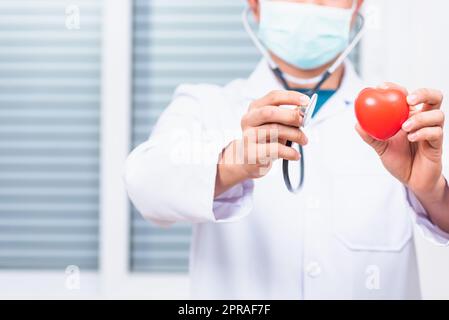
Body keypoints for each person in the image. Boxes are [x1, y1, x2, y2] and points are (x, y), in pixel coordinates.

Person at [124, 0, 449, 299]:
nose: (308, 3)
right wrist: (229, 163)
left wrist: (433, 193)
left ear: (356, 5)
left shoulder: (407, 121)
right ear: (255, 4)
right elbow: (143, 184)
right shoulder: (207, 106)